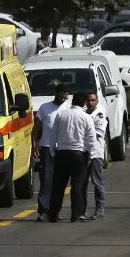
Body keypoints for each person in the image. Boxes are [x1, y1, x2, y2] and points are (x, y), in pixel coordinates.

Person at [47, 91, 95, 222]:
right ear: (84, 102)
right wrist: (91, 156)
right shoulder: (86, 117)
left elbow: (53, 136)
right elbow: (91, 139)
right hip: (78, 155)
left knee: (58, 186)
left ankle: (53, 214)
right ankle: (77, 214)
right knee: (77, 186)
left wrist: (52, 152)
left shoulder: (61, 115)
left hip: (61, 154)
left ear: (73, 101)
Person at [33, 85, 68, 220]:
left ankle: (54, 211)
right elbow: (36, 127)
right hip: (47, 147)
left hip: (62, 148)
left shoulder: (67, 108)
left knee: (59, 182)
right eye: (61, 96)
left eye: (65, 96)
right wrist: (35, 145)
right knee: (46, 180)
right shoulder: (44, 108)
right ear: (56, 94)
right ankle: (43, 210)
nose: (63, 99)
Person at [85, 91, 109, 220]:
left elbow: (94, 134)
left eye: (93, 100)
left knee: (97, 183)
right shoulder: (83, 113)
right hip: (83, 153)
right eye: (89, 100)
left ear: (97, 101)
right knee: (82, 183)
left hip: (95, 154)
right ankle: (81, 210)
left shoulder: (99, 115)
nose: (90, 103)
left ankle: (100, 209)